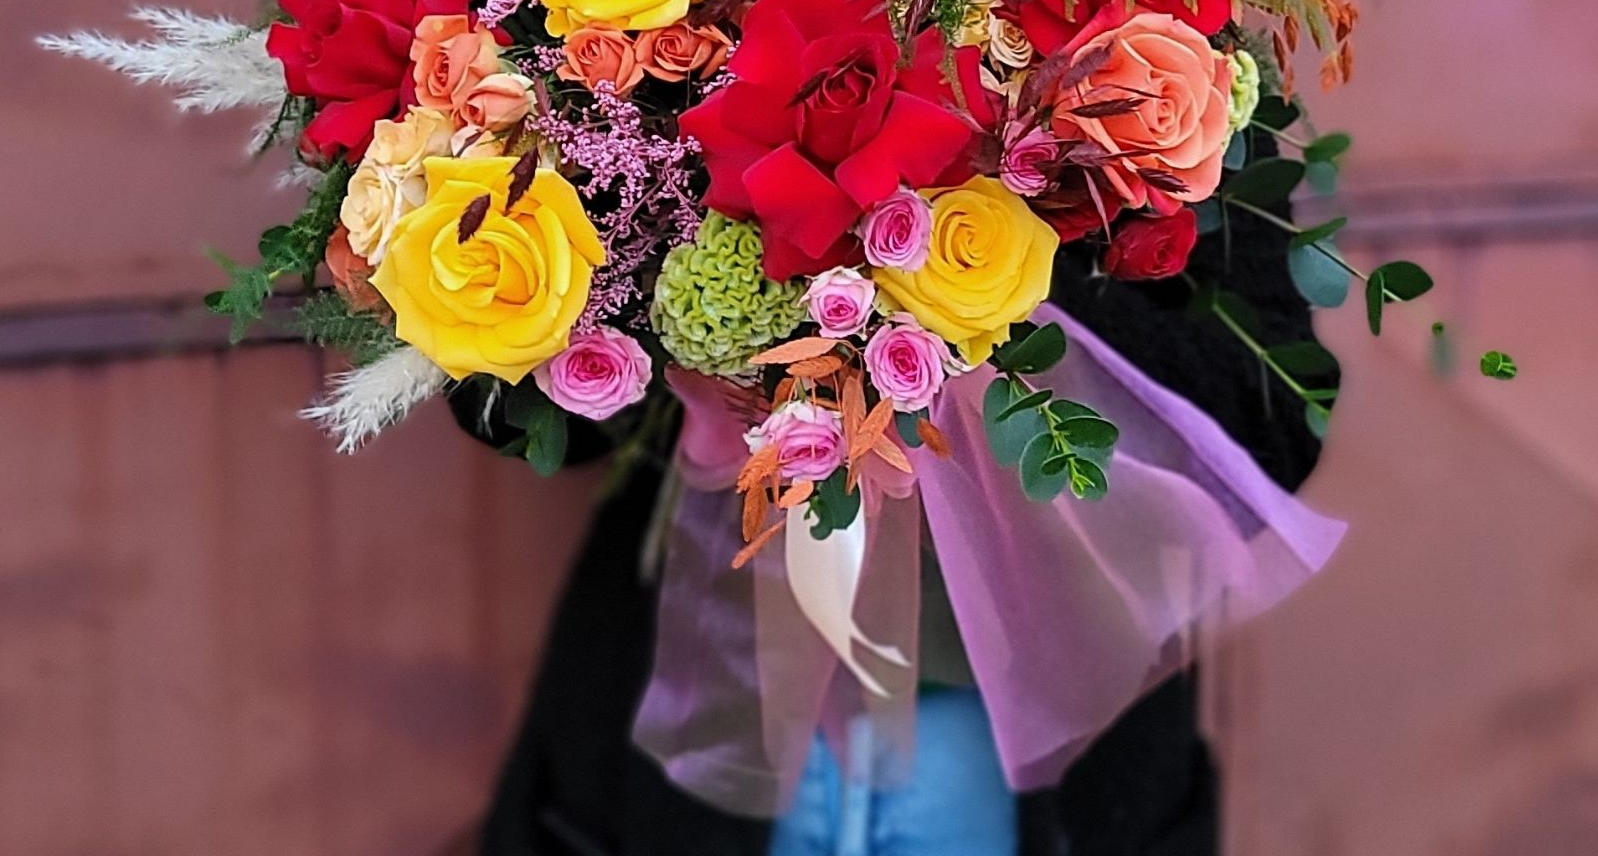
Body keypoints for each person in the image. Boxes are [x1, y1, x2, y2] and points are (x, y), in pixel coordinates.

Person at [450, 172, 1326, 856]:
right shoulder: (659, 27)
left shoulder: (1156, 36)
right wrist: (673, 225)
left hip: (1017, 751)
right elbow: (506, 413)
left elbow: (1270, 426)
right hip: (697, 711)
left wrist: (978, 268)